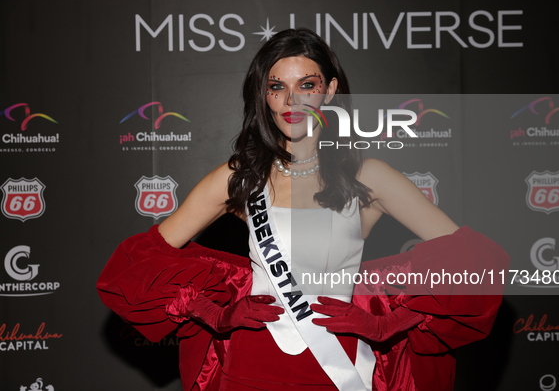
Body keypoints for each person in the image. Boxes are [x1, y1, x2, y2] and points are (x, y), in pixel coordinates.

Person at [97, 28, 509, 391]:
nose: (290, 100)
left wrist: (386, 324)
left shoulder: (370, 175)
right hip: (251, 360)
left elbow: (476, 264)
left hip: (338, 365)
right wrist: (216, 315)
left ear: (330, 90)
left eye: (306, 85)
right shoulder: (237, 177)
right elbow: (138, 266)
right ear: (264, 94)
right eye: (276, 86)